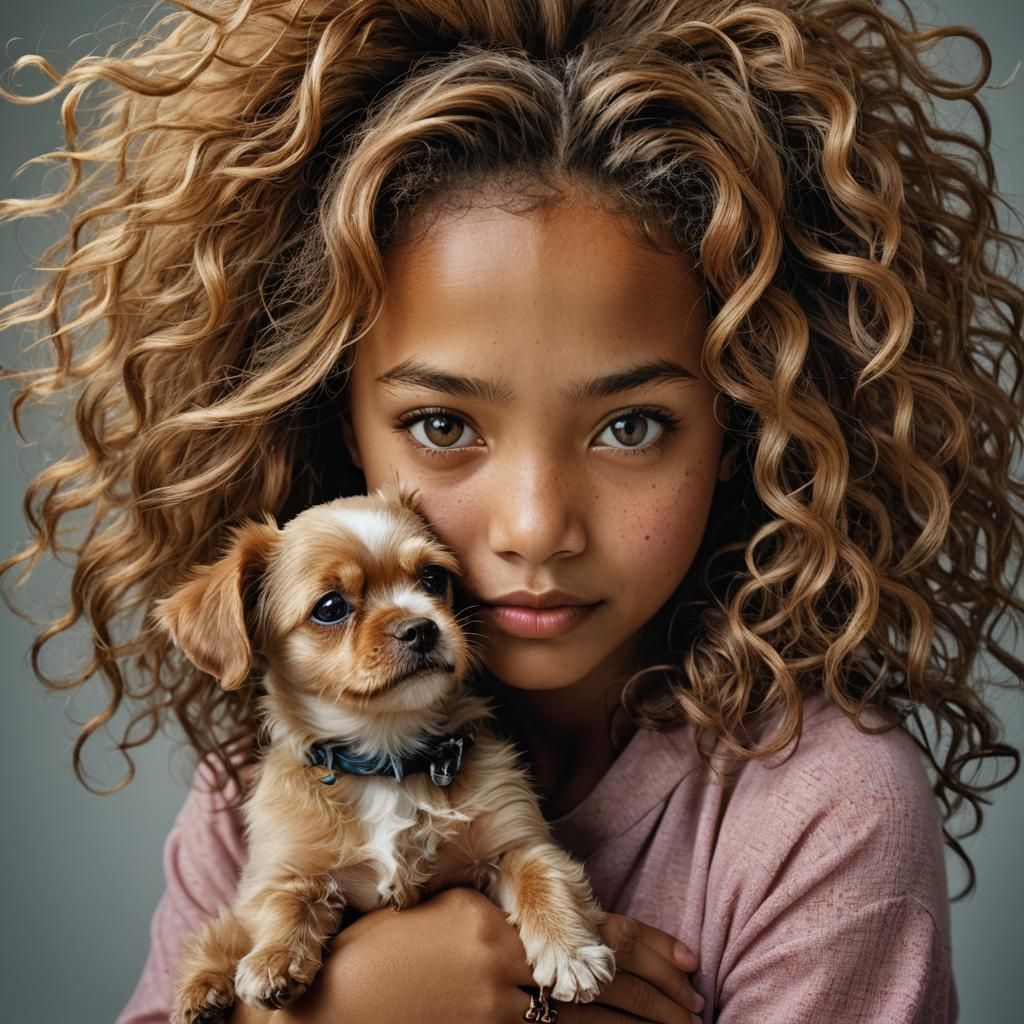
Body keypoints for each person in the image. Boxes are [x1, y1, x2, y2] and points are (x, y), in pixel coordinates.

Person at [1, 0, 1021, 1021]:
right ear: (339, 422)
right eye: (444, 425)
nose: (534, 527)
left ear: (746, 422)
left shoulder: (818, 809)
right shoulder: (258, 786)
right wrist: (347, 1010)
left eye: (630, 427)